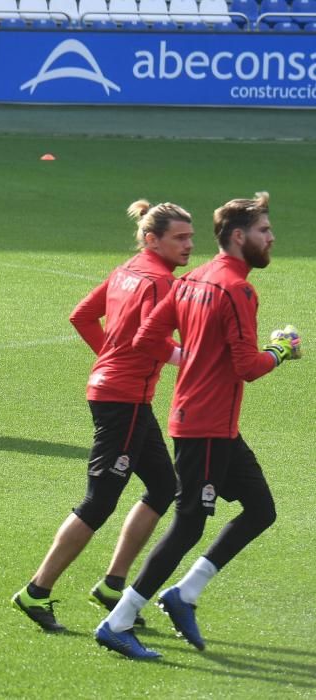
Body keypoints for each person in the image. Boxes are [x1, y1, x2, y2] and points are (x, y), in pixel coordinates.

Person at [96, 192, 302, 660]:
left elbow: (147, 337)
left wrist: (193, 361)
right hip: (206, 425)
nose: (271, 239)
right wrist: (282, 350)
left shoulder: (190, 280)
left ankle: (184, 594)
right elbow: (248, 366)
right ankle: (117, 620)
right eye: (264, 231)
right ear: (238, 236)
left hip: (207, 422)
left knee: (260, 509)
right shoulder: (238, 289)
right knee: (189, 524)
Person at [13, 201, 194, 632]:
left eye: (190, 237)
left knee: (164, 485)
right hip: (124, 400)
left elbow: (82, 316)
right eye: (180, 238)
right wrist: (189, 361)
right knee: (99, 501)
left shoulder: (128, 269)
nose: (189, 245)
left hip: (119, 393)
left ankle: (113, 587)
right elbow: (148, 342)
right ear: (153, 239)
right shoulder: (160, 282)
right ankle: (36, 591)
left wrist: (110, 360)